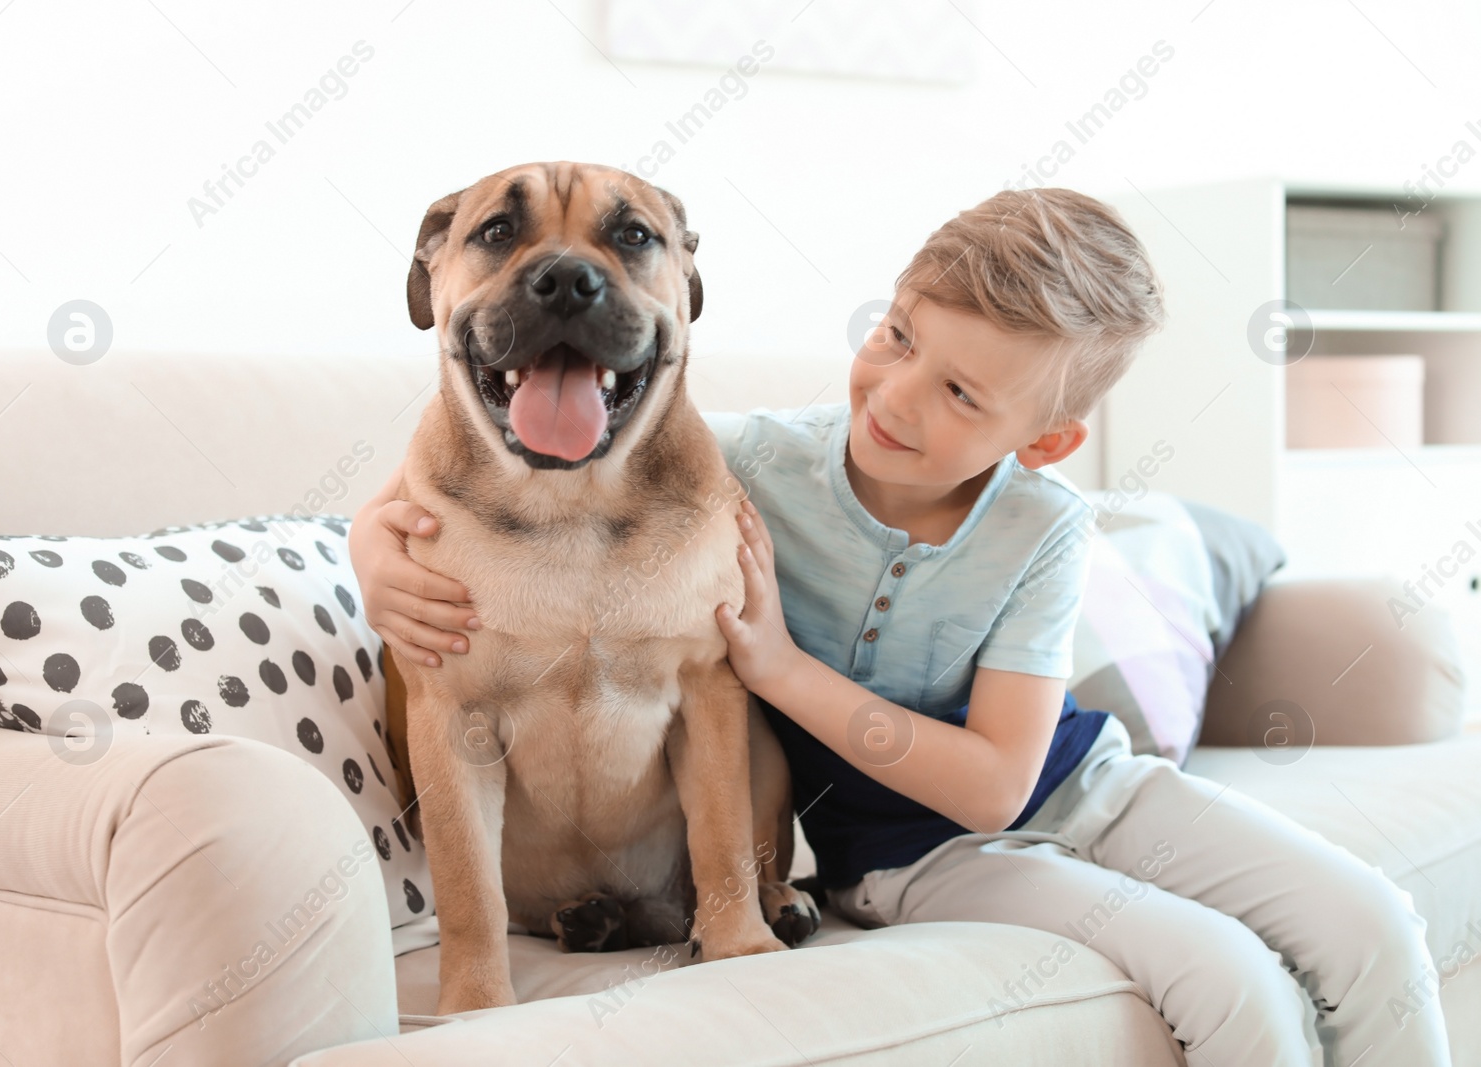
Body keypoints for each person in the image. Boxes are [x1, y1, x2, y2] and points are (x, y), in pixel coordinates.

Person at [347, 187, 1451, 1066]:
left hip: (1074, 783)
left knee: (1374, 922)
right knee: (1229, 975)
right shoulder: (731, 461)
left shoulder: (1044, 525)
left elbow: (997, 785)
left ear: (1048, 440)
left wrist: (775, 666)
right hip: (909, 856)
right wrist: (369, 548)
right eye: (896, 336)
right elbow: (495, 484)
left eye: (964, 395)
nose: (898, 396)